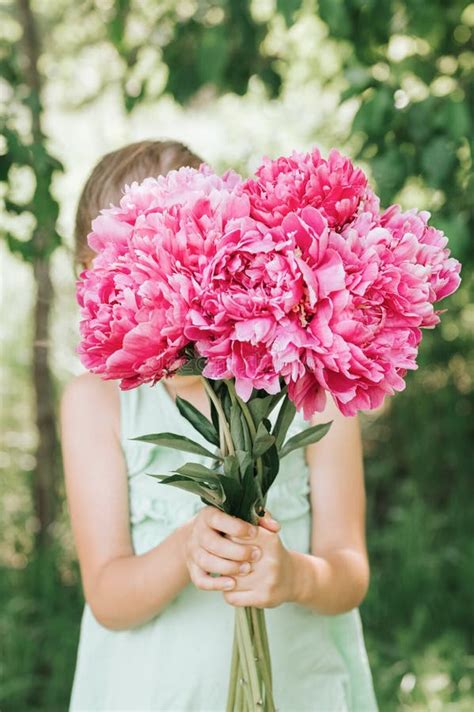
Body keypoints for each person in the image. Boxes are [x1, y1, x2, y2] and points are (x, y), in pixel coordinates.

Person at [60, 139, 379, 711]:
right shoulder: (95, 404)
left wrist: (297, 578)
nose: (153, 305)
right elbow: (107, 596)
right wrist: (186, 548)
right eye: (122, 288)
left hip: (301, 688)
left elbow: (349, 572)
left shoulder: (311, 382)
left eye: (172, 277)